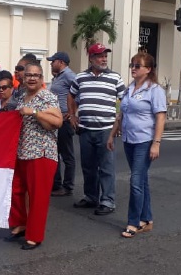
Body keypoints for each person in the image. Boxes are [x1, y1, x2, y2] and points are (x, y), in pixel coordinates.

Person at [107, 52, 166, 238]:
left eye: (137, 66)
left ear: (148, 70)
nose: (133, 68)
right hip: (129, 140)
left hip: (145, 140)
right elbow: (122, 114)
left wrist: (156, 143)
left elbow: (160, 117)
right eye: (132, 65)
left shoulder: (155, 90)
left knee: (135, 181)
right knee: (141, 180)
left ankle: (134, 222)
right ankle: (147, 219)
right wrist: (112, 134)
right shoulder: (129, 89)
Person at [5, 63, 63, 250]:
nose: (31, 78)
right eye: (28, 75)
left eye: (36, 75)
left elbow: (58, 121)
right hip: (22, 151)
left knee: (38, 196)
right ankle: (20, 224)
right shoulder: (22, 95)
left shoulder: (47, 97)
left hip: (41, 153)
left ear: (41, 78)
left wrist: (35, 112)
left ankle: (34, 235)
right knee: (17, 191)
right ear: (22, 77)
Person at [68, 43, 126, 216]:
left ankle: (107, 200)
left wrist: (119, 123)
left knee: (106, 167)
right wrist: (72, 115)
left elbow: (124, 101)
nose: (104, 59)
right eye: (100, 56)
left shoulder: (115, 78)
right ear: (91, 58)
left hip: (106, 130)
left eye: (105, 56)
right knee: (88, 166)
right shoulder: (80, 78)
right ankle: (91, 196)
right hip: (85, 129)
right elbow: (71, 95)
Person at [47, 51, 76, 197]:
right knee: (55, 153)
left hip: (64, 121)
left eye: (53, 61)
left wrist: (72, 113)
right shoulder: (58, 77)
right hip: (56, 119)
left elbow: (80, 92)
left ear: (61, 62)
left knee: (67, 155)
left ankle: (68, 186)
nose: (51, 64)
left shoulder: (69, 75)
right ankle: (56, 184)